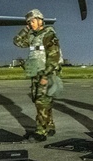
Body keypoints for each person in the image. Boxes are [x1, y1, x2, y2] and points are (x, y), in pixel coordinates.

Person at [12, 9, 63, 142]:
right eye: (29, 22)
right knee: (44, 101)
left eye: (33, 21)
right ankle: (50, 126)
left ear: (40, 20)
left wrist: (46, 76)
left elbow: (54, 56)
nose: (31, 24)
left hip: (46, 73)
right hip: (36, 72)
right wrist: (26, 29)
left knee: (42, 102)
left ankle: (41, 132)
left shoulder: (48, 34)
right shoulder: (33, 37)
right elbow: (17, 41)